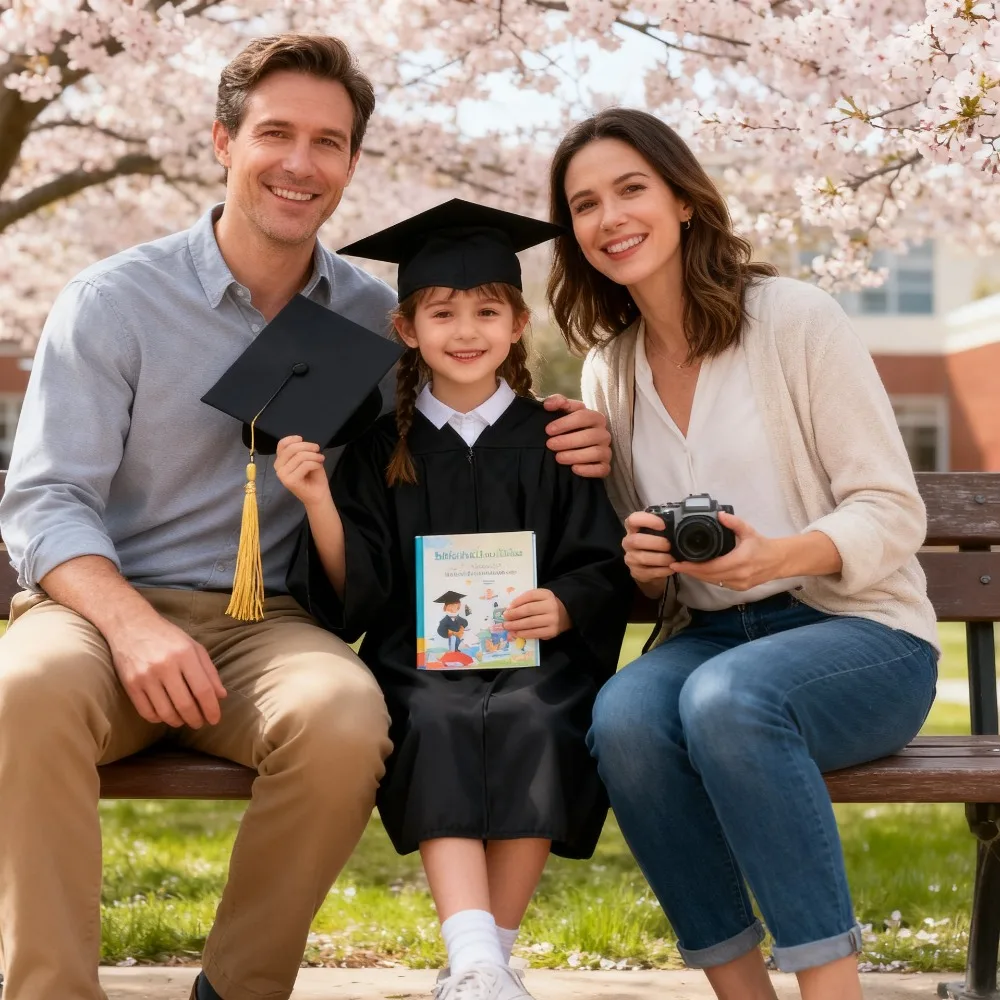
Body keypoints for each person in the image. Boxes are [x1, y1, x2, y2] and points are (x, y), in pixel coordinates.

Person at [0, 36, 612, 1000]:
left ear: (351, 165)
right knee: (20, 692)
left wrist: (572, 438)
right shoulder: (115, 302)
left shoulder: (378, 319)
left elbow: (448, 438)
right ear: (222, 141)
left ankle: (238, 990)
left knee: (342, 716)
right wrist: (132, 628)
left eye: (327, 142)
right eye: (275, 133)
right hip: (100, 614)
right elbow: (45, 500)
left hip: (268, 626)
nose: (299, 162)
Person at [545, 108, 940, 1000]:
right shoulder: (611, 367)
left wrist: (781, 556)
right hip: (712, 636)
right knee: (625, 719)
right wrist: (644, 557)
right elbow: (649, 554)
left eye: (631, 189)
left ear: (684, 199)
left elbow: (891, 508)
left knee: (728, 700)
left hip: (858, 629)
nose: (610, 218)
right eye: (584, 204)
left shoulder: (794, 319)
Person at [275, 200, 632, 1000]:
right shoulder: (377, 450)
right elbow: (357, 590)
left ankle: (479, 965)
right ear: (407, 329)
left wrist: (567, 604)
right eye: (443, 313)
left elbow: (601, 560)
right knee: (433, 719)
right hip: (418, 658)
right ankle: (479, 960)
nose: (465, 330)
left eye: (486, 311)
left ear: (517, 324)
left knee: (541, 718)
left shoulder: (554, 438)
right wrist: (317, 501)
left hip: (538, 656)